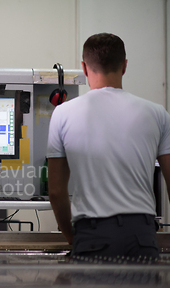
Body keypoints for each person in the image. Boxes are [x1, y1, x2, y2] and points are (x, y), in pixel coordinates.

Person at [47, 33, 170, 259]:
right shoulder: (157, 114)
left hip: (91, 234)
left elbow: (55, 191)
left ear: (84, 68)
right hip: (141, 236)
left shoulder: (62, 114)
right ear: (124, 66)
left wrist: (73, 238)